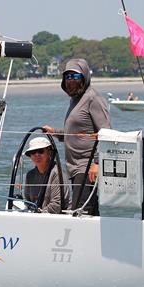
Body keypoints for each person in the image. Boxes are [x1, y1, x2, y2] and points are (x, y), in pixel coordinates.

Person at [43, 59, 111, 216]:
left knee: (80, 211)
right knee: (90, 210)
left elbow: (106, 132)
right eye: (67, 77)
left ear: (84, 77)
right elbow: (75, 131)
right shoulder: (75, 100)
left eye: (75, 77)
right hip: (73, 167)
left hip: (86, 167)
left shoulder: (92, 98)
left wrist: (96, 163)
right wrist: (55, 132)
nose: (71, 81)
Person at [22, 137, 70, 214]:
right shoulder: (30, 175)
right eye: (33, 152)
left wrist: (38, 214)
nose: (37, 155)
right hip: (38, 216)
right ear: (30, 155)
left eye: (40, 151)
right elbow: (27, 200)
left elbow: (56, 205)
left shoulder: (57, 173)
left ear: (49, 152)